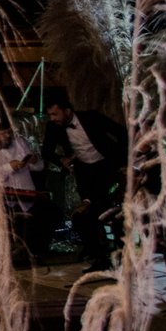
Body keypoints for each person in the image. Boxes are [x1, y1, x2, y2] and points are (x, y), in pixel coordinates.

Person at [42, 94, 128, 273]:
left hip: (107, 167)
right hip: (85, 172)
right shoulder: (53, 127)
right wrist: (62, 160)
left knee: (105, 209)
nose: (53, 118)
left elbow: (120, 132)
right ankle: (98, 254)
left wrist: (122, 160)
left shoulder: (91, 118)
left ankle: (118, 252)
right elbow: (46, 151)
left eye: (55, 114)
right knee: (86, 212)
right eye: (50, 115)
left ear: (67, 111)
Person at [0, 123, 54, 264]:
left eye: (9, 131)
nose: (8, 135)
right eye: (3, 133)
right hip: (2, 199)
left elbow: (39, 166)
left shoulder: (20, 142)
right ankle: (8, 254)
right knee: (6, 219)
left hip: (28, 196)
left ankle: (35, 253)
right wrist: (8, 167)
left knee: (51, 213)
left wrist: (34, 161)